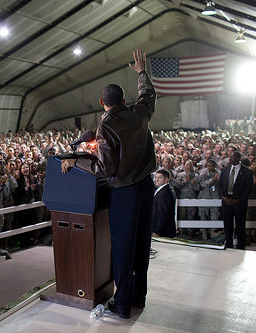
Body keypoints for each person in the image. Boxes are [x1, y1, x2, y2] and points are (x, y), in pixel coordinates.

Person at [61, 49, 156, 319]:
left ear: (102, 101)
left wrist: (74, 162)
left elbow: (104, 167)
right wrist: (141, 73)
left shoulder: (106, 126)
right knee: (141, 245)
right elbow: (148, 96)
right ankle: (139, 296)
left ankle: (122, 304)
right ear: (124, 100)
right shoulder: (139, 113)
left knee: (124, 248)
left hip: (124, 192)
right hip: (145, 187)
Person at [217, 151, 253, 249]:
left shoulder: (247, 172)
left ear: (238, 158)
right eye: (230, 157)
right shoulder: (224, 170)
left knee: (240, 225)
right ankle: (228, 244)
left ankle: (241, 246)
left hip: (239, 203)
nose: (230, 159)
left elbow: (248, 189)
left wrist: (238, 200)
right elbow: (219, 185)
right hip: (226, 202)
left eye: (232, 157)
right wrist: (222, 197)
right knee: (227, 225)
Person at [152, 169, 177, 238]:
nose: (156, 180)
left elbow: (163, 213)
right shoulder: (166, 190)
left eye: (159, 178)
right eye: (156, 177)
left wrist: (157, 231)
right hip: (165, 230)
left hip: (163, 232)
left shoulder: (164, 193)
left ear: (166, 180)